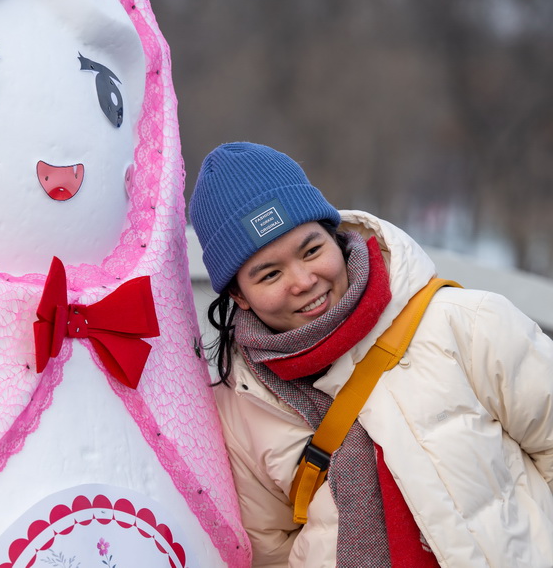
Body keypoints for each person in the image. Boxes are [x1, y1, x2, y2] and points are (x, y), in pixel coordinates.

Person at [188, 141, 553, 567]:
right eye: (270, 274)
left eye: (311, 250)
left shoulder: (465, 324)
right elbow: (269, 551)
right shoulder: (241, 406)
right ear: (239, 295)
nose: (304, 281)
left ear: (335, 234)